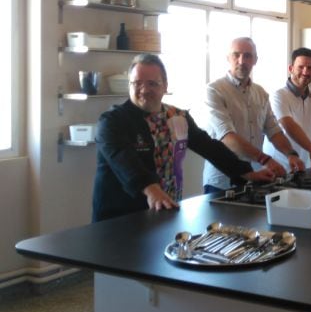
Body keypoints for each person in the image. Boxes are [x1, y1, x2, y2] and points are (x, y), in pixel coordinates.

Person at [92, 54, 272, 222]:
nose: (144, 90)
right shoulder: (112, 121)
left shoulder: (177, 117)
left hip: (164, 212)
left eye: (152, 84)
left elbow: (209, 147)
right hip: (119, 219)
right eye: (137, 83)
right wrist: (151, 189)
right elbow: (123, 159)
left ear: (165, 85)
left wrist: (246, 172)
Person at [203, 37, 304, 193]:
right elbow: (227, 136)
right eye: (236, 55)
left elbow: (274, 131)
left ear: (255, 60)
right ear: (228, 58)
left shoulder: (260, 93)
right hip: (222, 182)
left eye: (248, 56)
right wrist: (265, 159)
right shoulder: (214, 90)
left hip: (255, 178)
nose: (241, 61)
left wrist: (291, 154)